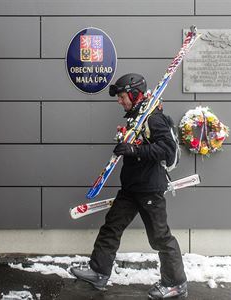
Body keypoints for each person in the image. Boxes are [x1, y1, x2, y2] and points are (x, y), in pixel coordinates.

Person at [69, 73, 188, 299]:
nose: (119, 101)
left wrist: (134, 150)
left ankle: (176, 283)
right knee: (111, 227)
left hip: (150, 189)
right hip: (132, 188)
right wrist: (126, 146)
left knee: (160, 237)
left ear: (134, 94)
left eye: (122, 96)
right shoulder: (136, 118)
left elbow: (167, 149)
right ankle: (99, 271)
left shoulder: (153, 118)